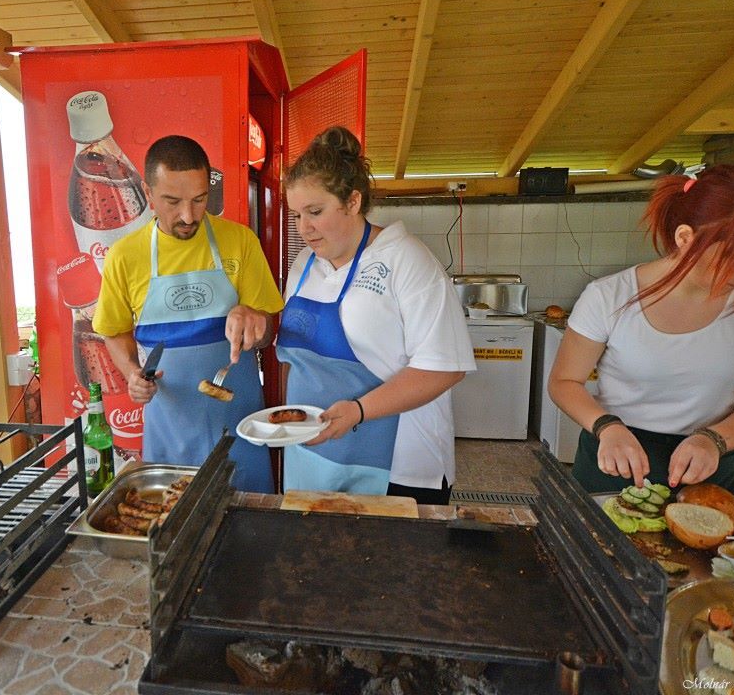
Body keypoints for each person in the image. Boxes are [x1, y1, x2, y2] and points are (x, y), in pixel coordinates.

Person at [548, 164, 734, 508]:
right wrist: (606, 427)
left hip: (713, 464)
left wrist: (714, 439)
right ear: (685, 238)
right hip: (616, 457)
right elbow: (564, 382)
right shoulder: (609, 296)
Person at [276, 126, 475, 504]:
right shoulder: (304, 265)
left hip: (399, 465)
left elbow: (445, 367)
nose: (304, 228)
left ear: (352, 202)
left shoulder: (406, 259)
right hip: (315, 455)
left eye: (315, 212)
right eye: (297, 214)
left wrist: (359, 410)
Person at [93, 135, 284, 493]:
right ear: (148, 195)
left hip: (238, 421)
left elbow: (268, 334)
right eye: (172, 202)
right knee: (171, 512)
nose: (188, 216)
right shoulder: (124, 256)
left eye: (199, 200)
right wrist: (133, 373)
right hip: (170, 424)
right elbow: (114, 332)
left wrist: (256, 323)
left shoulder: (240, 241)